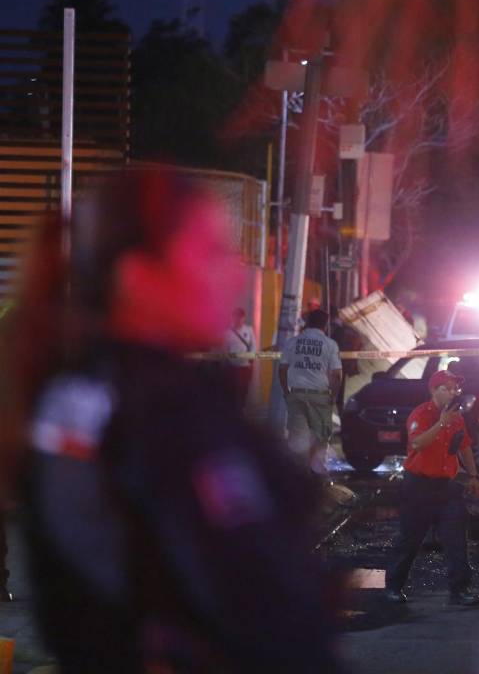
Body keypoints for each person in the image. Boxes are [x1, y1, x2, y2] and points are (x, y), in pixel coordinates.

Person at [0, 168, 344, 672]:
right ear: (138, 277)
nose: (234, 273)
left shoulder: (91, 392)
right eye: (211, 252)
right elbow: (252, 600)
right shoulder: (157, 411)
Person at [384, 369, 479, 607]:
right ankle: (393, 588)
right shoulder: (421, 414)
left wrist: (473, 475)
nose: (452, 392)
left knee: (456, 540)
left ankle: (460, 590)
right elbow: (417, 443)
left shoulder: (457, 417)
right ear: (433, 390)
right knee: (410, 540)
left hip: (447, 487)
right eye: (445, 388)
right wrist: (441, 423)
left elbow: (465, 446)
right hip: (418, 487)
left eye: (454, 388)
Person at [279, 309, 343, 475]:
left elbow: (282, 369)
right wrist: (333, 396)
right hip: (320, 396)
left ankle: (296, 477)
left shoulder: (292, 342)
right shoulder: (330, 344)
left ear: (308, 323)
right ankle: (316, 478)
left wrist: (287, 392)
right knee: (320, 439)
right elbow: (337, 375)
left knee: (297, 440)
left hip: (297, 394)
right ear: (325, 325)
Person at [222, 307, 256, 404]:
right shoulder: (228, 333)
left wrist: (251, 358)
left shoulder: (249, 330)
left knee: (244, 388)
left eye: (240, 317)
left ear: (244, 318)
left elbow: (253, 345)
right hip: (232, 366)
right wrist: (228, 359)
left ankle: (242, 408)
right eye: (236, 317)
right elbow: (225, 348)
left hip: (245, 366)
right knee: (233, 389)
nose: (238, 319)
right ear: (232, 318)